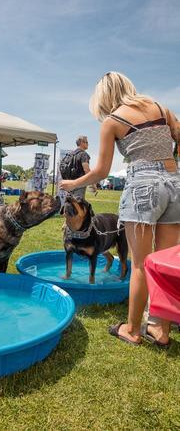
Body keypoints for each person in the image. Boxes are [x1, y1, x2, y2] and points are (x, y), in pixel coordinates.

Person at [60, 72, 180, 347]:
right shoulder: (161, 108)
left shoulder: (112, 121)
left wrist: (74, 183)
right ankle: (160, 331)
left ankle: (132, 329)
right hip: (174, 183)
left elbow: (100, 171)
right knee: (163, 264)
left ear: (103, 97)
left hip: (143, 186)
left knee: (140, 263)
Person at [60, 135, 97, 200]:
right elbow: (86, 170)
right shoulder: (83, 154)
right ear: (81, 142)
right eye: (86, 142)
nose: (88, 144)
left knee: (70, 203)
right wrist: (93, 183)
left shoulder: (70, 154)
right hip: (79, 183)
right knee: (78, 204)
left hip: (69, 183)